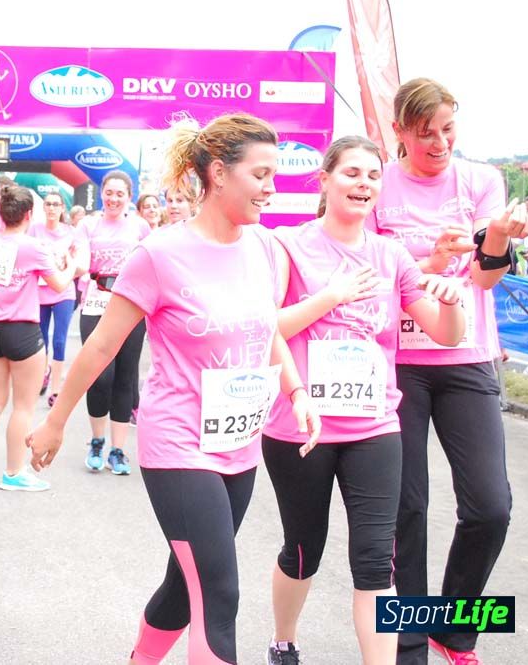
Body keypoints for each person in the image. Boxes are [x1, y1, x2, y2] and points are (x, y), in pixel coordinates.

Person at [28, 112, 319, 665]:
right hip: (179, 445)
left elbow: (267, 330)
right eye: (260, 175)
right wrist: (55, 421)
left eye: (274, 175)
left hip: (238, 445)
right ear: (217, 172)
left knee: (184, 591)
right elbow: (101, 346)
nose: (271, 188)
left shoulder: (263, 248)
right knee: (218, 593)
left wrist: (297, 391)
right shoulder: (160, 254)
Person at [264, 136, 466, 665]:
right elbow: (267, 330)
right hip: (300, 427)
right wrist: (329, 297)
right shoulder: (288, 245)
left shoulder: (390, 254)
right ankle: (284, 639)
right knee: (303, 550)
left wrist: (452, 300)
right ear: (324, 179)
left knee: (377, 562)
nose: (363, 184)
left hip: (375, 426)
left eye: (373, 176)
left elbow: (444, 334)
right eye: (352, 173)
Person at [369, 77, 528, 665]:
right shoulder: (379, 183)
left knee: (491, 506)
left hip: (466, 357)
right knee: (405, 508)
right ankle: (409, 644)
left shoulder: (482, 180)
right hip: (398, 362)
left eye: (448, 129)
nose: (439, 142)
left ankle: (454, 626)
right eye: (425, 132)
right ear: (400, 134)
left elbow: (485, 279)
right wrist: (426, 260)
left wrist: (496, 243)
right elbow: (365, 266)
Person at [0, 185, 74, 492]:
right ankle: (13, 472)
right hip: (22, 330)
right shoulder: (33, 247)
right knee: (23, 406)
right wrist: (71, 265)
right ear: (28, 214)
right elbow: (59, 285)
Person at [76, 170, 150, 476]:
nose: (114, 198)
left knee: (124, 376)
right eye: (109, 192)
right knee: (99, 375)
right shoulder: (87, 224)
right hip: (95, 302)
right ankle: (97, 441)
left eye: (120, 193)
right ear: (102, 193)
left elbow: (150, 264)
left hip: (131, 305)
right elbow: (81, 260)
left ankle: (118, 450)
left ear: (129, 197)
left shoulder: (141, 226)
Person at [29, 192, 81, 406]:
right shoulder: (34, 231)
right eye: (48, 204)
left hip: (64, 293)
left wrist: (67, 267)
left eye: (56, 204)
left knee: (59, 340)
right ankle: (44, 372)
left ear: (62, 209)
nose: (51, 208)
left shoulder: (71, 233)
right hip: (40, 293)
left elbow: (77, 262)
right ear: (44, 208)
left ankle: (56, 389)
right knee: (42, 340)